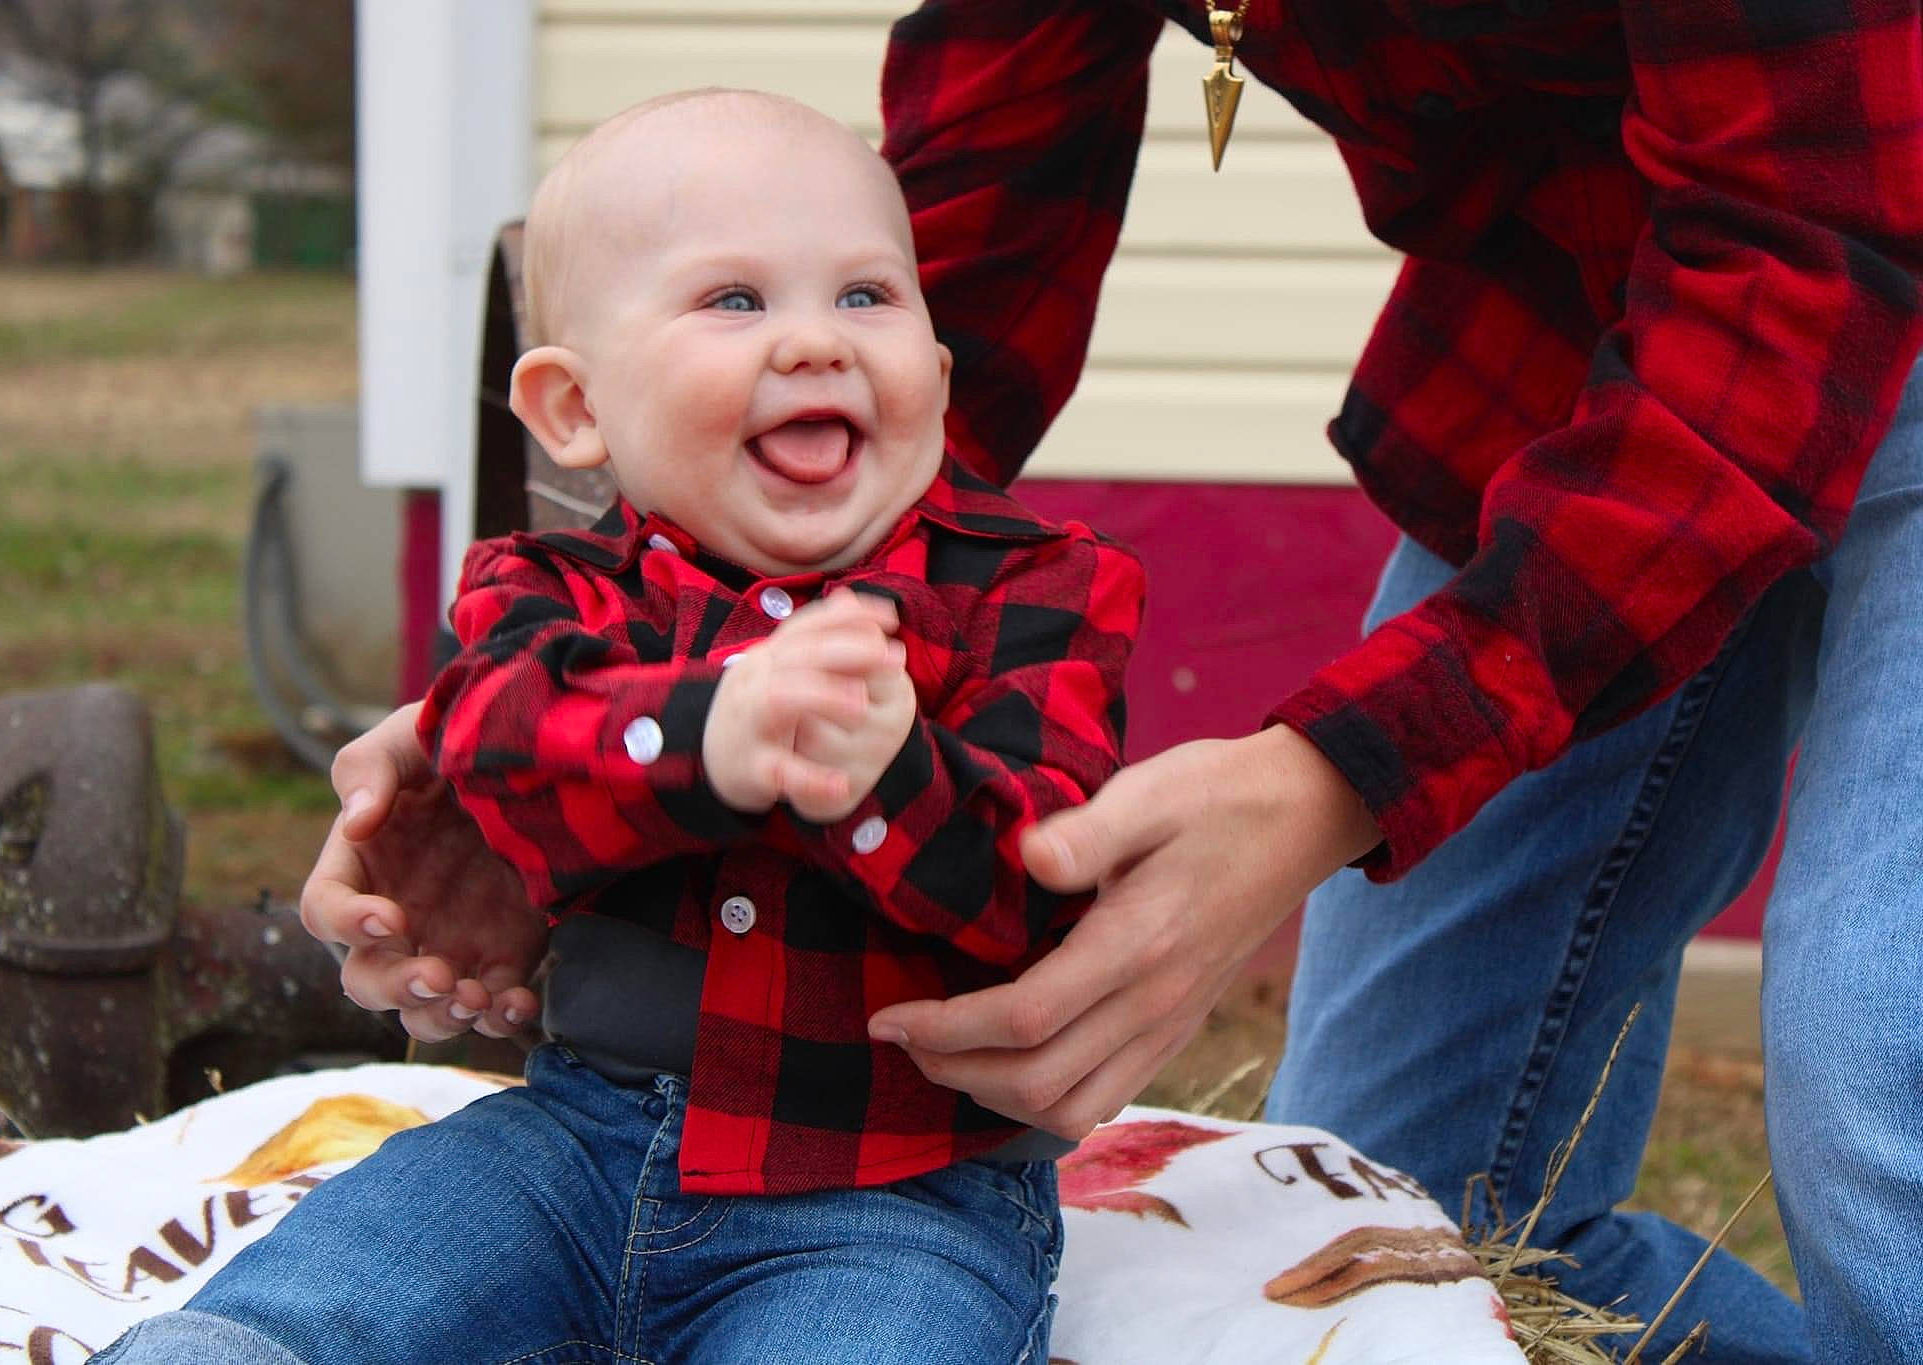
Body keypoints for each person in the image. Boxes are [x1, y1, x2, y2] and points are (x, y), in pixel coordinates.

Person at [308, 4, 1923, 1362]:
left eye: (853, 313)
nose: (817, 338)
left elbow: (1810, 236)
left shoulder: (1069, 606)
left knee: (1876, 1085)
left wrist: (1334, 773)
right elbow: (962, 239)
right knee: (1401, 1216)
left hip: (1855, 239)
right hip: (1594, 348)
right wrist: (595, 709)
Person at [94, 88, 1142, 1365]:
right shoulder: (546, 592)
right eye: (734, 300)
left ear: (934, 371)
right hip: (569, 1144)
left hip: (895, 1195)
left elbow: (1041, 886)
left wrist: (882, 775)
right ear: (573, 411)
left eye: (867, 295)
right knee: (297, 1315)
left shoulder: (1035, 589)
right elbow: (499, 746)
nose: (816, 341)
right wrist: (712, 734)